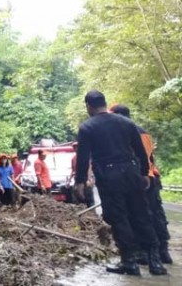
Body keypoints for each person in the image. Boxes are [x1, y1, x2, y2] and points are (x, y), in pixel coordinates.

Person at [75, 90, 166, 276]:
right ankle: (155, 261)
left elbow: (83, 158)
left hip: (109, 177)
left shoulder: (87, 127)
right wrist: (143, 174)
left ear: (88, 106)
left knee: (119, 218)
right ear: (104, 102)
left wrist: (80, 182)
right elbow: (140, 151)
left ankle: (130, 262)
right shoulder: (126, 122)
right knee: (141, 214)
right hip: (132, 173)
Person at [109, 104, 173, 265]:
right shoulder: (142, 131)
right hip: (151, 177)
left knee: (140, 216)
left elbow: (141, 157)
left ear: (118, 115)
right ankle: (162, 252)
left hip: (141, 179)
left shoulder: (127, 132)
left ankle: (147, 254)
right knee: (156, 214)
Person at [70, 142, 95, 207]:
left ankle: (92, 211)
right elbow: (73, 170)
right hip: (78, 179)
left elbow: (89, 167)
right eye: (74, 147)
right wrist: (69, 179)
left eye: (77, 147)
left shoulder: (85, 156)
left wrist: (89, 178)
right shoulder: (73, 159)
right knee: (78, 196)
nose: (76, 149)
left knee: (88, 196)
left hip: (85, 178)